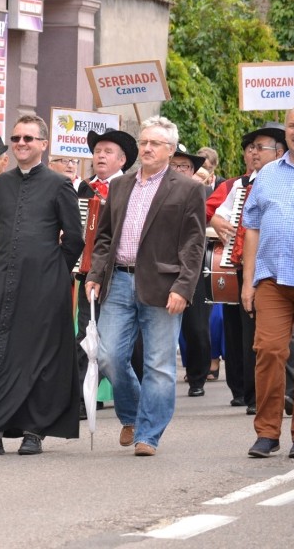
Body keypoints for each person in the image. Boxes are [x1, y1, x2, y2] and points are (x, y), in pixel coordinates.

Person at [0, 114, 84, 456]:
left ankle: (34, 431)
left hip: (45, 285)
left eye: (29, 138)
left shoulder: (59, 185)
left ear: (43, 144)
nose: (21, 144)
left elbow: (74, 238)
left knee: (38, 356)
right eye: (16, 138)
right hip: (1, 280)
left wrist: (54, 270)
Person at [85, 116, 205, 457]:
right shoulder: (121, 186)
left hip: (163, 285)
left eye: (155, 143)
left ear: (169, 150)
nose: (147, 148)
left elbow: (194, 244)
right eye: (144, 142)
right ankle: (133, 414)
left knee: (159, 363)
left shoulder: (188, 189)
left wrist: (184, 287)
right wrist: (95, 274)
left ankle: (148, 435)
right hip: (118, 280)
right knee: (108, 356)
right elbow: (105, 236)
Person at [210, 123, 289, 414]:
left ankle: (282, 396)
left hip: (285, 266)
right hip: (251, 268)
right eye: (251, 148)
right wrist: (217, 221)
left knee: (277, 341)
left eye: (260, 147)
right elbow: (216, 213)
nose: (253, 153)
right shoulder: (241, 185)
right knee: (255, 337)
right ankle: (254, 397)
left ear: (279, 151)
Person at [242, 106, 294, 458]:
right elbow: (252, 228)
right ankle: (267, 432)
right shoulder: (266, 175)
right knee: (269, 352)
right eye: (293, 125)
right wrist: (248, 282)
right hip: (273, 280)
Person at [74, 128, 138, 418]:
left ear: (122, 159)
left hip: (120, 276)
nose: (100, 155)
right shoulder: (82, 189)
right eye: (97, 150)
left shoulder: (131, 187)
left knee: (116, 344)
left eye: (107, 151)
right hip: (86, 273)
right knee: (85, 337)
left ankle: (132, 398)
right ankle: (81, 398)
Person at [169, 146, 212, 399]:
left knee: (196, 327)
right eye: (174, 165)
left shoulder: (203, 191)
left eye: (183, 166)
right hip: (162, 267)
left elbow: (218, 216)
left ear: (193, 170)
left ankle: (197, 376)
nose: (178, 170)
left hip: (194, 267)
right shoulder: (153, 192)